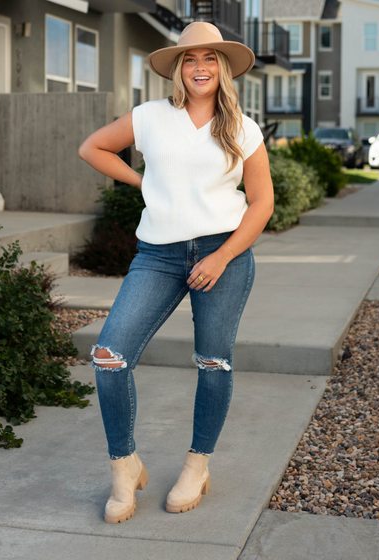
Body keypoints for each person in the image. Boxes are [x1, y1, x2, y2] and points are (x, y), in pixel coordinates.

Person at [78, 21, 274, 524]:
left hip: (222, 254)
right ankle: (125, 468)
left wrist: (222, 256)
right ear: (178, 69)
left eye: (210, 58)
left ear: (223, 68)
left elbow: (261, 202)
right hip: (158, 255)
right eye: (190, 59)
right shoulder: (149, 117)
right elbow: (93, 148)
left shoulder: (243, 128)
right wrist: (142, 181)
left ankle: (197, 464)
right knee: (108, 356)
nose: (200, 67)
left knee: (213, 362)